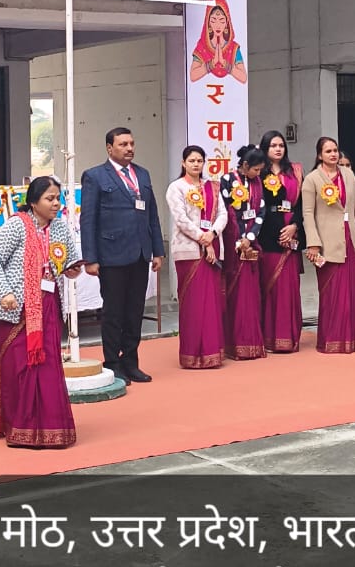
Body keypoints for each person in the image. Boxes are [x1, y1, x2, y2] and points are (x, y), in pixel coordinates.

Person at [0, 176, 83, 448]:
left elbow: (68, 261)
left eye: (58, 198)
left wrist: (72, 269)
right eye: (49, 199)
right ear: (33, 202)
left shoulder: (61, 228)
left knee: (47, 366)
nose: (56, 204)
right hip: (16, 308)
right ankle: (21, 428)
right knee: (20, 367)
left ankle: (52, 428)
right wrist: (5, 292)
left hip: (48, 305)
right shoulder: (17, 225)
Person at [80, 127, 165, 384]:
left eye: (131, 143)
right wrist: (90, 258)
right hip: (111, 254)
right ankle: (112, 363)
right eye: (123, 144)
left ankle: (130, 361)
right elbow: (88, 219)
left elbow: (152, 214)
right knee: (114, 312)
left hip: (140, 253)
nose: (129, 148)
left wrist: (158, 250)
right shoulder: (95, 176)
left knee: (134, 311)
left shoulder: (143, 174)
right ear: (110, 148)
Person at [302, 137, 355, 354]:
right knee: (333, 294)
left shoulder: (348, 175)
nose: (333, 154)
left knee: (354, 292)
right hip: (328, 244)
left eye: (335, 150)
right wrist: (313, 243)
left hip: (351, 240)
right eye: (328, 151)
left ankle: (354, 338)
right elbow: (308, 214)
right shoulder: (312, 180)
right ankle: (333, 339)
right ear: (319, 155)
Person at [166, 145, 228, 369]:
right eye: (191, 160)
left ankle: (212, 352)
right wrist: (204, 239)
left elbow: (223, 214)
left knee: (211, 302)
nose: (195, 164)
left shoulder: (213, 187)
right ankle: (192, 354)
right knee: (194, 303)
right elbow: (181, 219)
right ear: (183, 163)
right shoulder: (176, 188)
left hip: (213, 246)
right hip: (189, 251)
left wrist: (213, 234)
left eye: (199, 161)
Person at [257, 130, 304, 353]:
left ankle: (289, 337)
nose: (278, 149)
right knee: (269, 288)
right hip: (267, 236)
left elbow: (302, 205)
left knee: (289, 288)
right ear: (265, 148)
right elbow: (257, 205)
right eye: (273, 146)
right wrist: (277, 231)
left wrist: (294, 227)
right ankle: (268, 338)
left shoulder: (295, 171)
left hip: (291, 234)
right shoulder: (258, 172)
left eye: (281, 145)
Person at [219, 146, 267, 361]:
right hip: (234, 245)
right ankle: (234, 343)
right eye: (256, 169)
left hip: (251, 243)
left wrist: (250, 237)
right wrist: (240, 239)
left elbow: (261, 212)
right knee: (236, 294)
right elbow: (227, 212)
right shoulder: (227, 179)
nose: (258, 173)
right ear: (245, 165)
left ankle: (252, 342)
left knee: (252, 294)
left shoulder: (257, 183)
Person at [189, 0, 247, 83]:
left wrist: (224, 63)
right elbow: (192, 76)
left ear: (227, 23)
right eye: (213, 20)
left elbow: (244, 78)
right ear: (208, 23)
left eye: (222, 20)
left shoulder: (233, 48)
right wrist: (212, 63)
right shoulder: (202, 46)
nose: (218, 25)